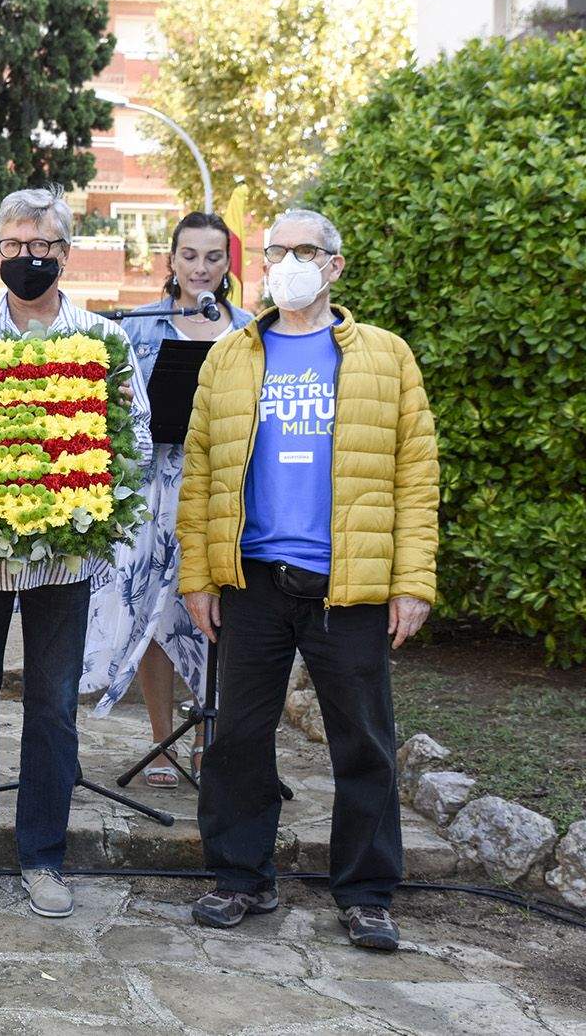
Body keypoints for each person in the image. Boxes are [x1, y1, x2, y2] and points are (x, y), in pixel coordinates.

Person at [178, 208, 438, 952]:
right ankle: (240, 877)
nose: (289, 263)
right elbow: (200, 472)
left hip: (349, 582)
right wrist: (198, 576)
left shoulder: (386, 357)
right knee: (238, 737)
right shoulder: (230, 356)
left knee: (364, 742)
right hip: (252, 578)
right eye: (277, 251)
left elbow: (417, 475)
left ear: (335, 265)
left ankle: (366, 893)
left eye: (305, 251)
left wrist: (412, 581)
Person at [0, 187, 152, 918]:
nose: (28, 258)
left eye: (43, 246)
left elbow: (136, 438)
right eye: (15, 246)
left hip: (65, 559)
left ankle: (44, 859)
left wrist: (92, 506)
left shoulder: (102, 337)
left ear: (66, 252)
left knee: (54, 709)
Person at [82, 213, 253, 787]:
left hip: (226, 487)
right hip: (154, 486)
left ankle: (208, 739)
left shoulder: (250, 331)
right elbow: (113, 410)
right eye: (190, 255)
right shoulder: (140, 326)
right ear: (171, 261)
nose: (200, 268)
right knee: (153, 613)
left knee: (217, 609)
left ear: (227, 264)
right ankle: (161, 742)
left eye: (213, 257)